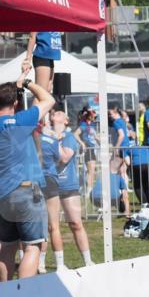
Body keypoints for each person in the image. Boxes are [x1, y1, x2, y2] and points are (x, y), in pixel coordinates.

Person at [0, 62, 56, 280]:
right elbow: (48, 100)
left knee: (8, 246)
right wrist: (27, 83)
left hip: (0, 193)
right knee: (32, 247)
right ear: (15, 102)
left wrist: (17, 86)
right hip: (25, 190)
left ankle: (5, 292)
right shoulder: (20, 122)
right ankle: (23, 294)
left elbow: (5, 114)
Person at [40, 110, 93, 271]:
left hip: (67, 185)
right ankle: (41, 263)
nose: (55, 113)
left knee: (76, 223)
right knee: (47, 226)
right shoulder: (45, 135)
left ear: (66, 120)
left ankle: (88, 261)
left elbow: (64, 158)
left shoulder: (69, 137)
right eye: (54, 112)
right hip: (48, 184)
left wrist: (55, 141)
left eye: (60, 113)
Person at [26, 32, 62, 99]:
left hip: (50, 57)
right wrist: (27, 60)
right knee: (41, 93)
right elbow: (32, 36)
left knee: (47, 91)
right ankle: (35, 108)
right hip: (42, 55)